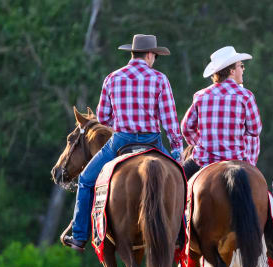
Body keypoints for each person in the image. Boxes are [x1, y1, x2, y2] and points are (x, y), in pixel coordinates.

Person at [62, 34, 183, 251]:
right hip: (152, 142)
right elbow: (170, 120)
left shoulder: (112, 78)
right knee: (181, 179)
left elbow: (104, 118)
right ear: (149, 55)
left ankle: (80, 236)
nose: (154, 60)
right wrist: (176, 150)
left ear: (133, 53)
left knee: (87, 180)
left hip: (120, 142)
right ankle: (181, 233)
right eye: (155, 56)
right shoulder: (159, 79)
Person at [181, 46, 262, 179]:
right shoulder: (246, 95)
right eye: (241, 66)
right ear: (232, 71)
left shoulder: (200, 96)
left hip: (204, 160)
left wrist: (201, 142)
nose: (243, 69)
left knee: (178, 183)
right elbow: (255, 130)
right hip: (237, 161)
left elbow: (186, 128)